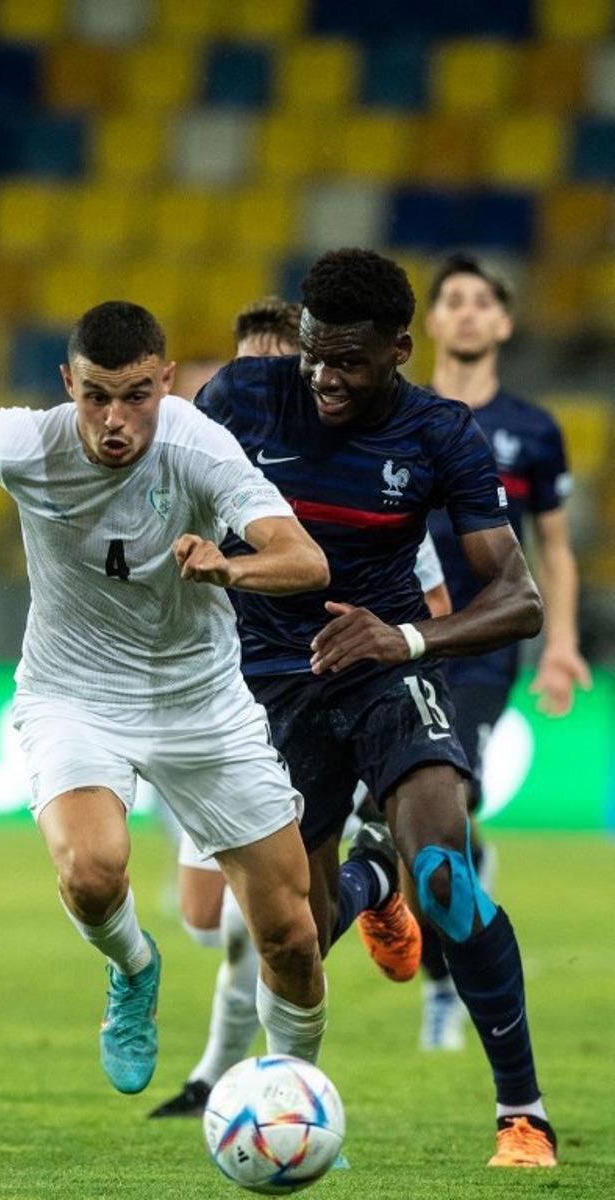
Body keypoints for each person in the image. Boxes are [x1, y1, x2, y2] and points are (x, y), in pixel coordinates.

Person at [0, 300, 335, 1096]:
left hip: (201, 700)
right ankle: (133, 969)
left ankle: (297, 1100)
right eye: (95, 395)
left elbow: (305, 560)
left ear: (167, 384)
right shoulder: (23, 441)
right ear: (68, 383)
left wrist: (230, 567)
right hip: (73, 693)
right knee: (93, 871)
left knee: (291, 934)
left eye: (137, 395)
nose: (115, 419)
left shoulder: (201, 448)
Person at [187, 248, 556, 1169]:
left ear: (400, 349)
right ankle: (368, 886)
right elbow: (162, 505)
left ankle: (524, 1113)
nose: (324, 377)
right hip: (269, 682)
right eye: (314, 353)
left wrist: (408, 641)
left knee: (445, 871)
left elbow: (519, 598)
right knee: (299, 935)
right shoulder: (242, 397)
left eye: (349, 360)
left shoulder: (440, 433)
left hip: (386, 666)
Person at [154, 298, 449, 1120]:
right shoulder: (207, 467)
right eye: (236, 373)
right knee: (208, 917)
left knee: (279, 926)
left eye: (264, 372)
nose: (245, 391)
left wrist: (391, 667)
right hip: (214, 702)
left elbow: (430, 595)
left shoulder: (356, 479)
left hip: (312, 701)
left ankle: (225, 1080)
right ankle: (373, 877)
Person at [413, 253, 591, 1051]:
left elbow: (552, 549)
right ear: (433, 322)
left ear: (504, 322)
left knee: (450, 802)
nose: (468, 312)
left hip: (485, 642)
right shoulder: (403, 415)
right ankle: (454, 944)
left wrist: (562, 644)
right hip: (403, 635)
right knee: (415, 824)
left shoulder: (533, 430)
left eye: (483, 301)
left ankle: (451, 988)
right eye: (453, 300)